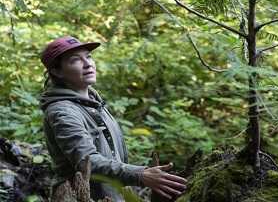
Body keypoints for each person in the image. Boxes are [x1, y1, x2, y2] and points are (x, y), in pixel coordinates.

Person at [39, 36, 187, 201]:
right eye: (75, 60)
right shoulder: (63, 111)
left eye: (88, 57)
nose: (88, 64)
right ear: (57, 71)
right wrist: (141, 175)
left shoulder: (94, 104)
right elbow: (87, 163)